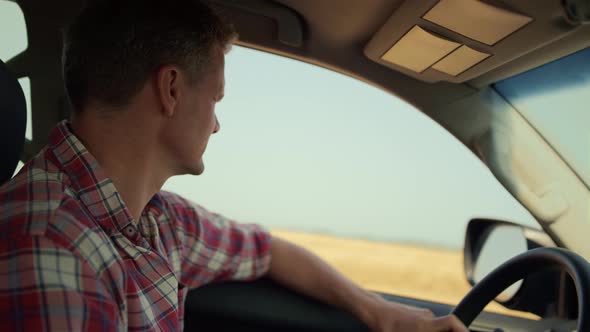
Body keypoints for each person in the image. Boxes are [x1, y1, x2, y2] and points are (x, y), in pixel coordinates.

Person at [0, 1, 469, 331]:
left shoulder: (160, 221)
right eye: (216, 99)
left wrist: (379, 313)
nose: (218, 124)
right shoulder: (49, 252)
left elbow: (266, 249)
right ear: (171, 90)